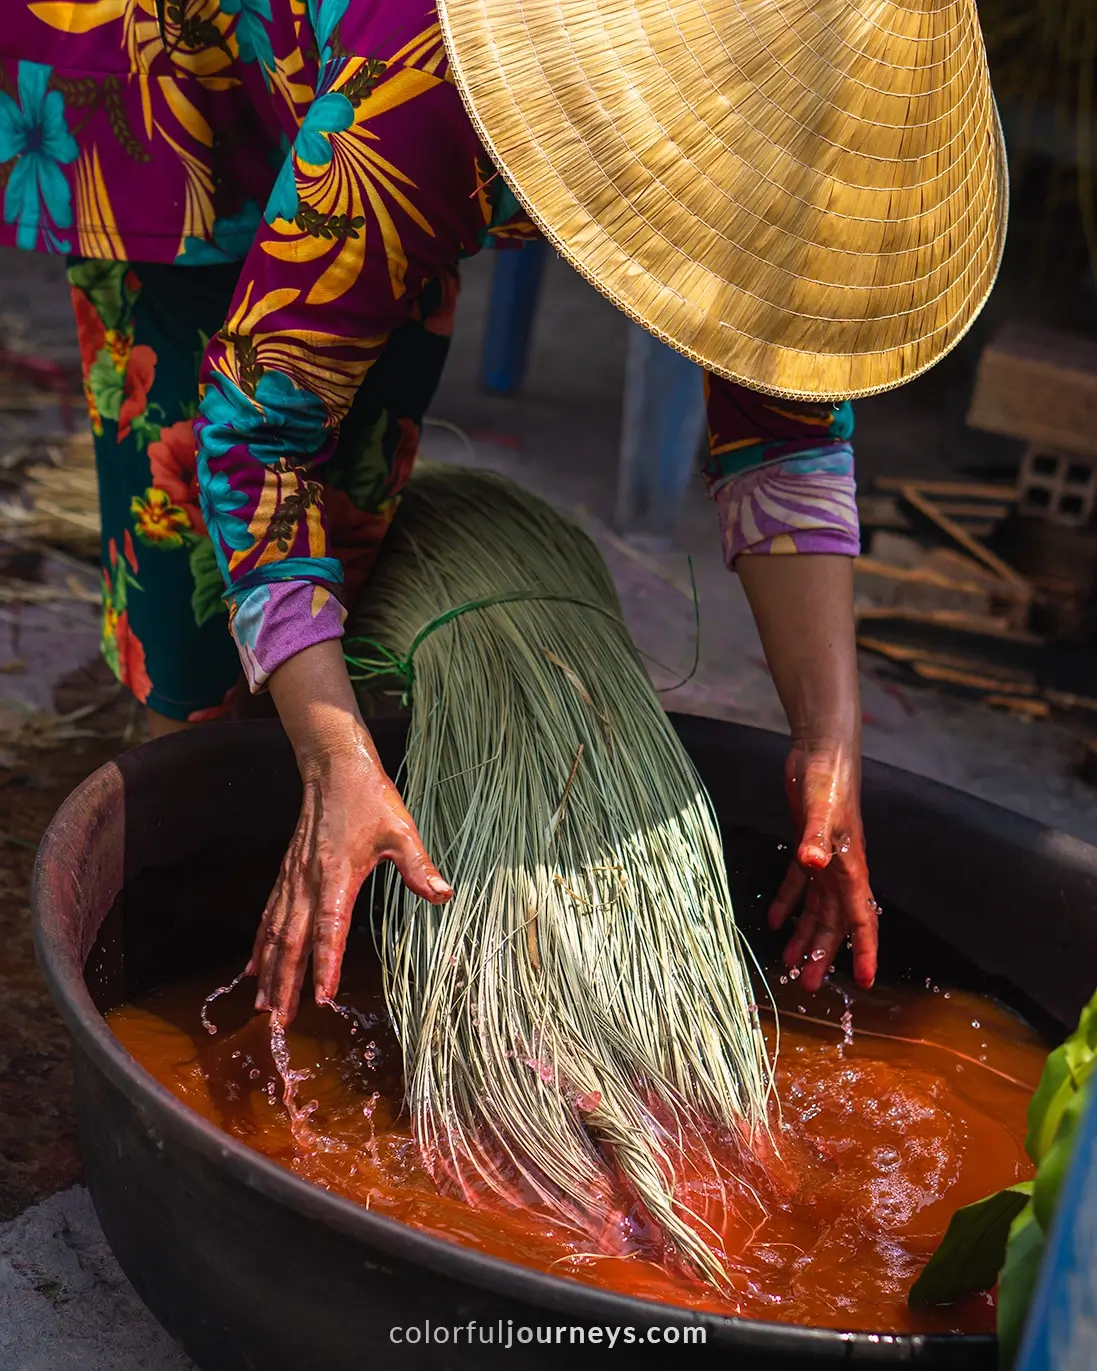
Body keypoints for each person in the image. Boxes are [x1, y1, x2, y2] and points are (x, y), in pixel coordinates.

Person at [2, 0, 1005, 1021]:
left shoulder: (798, 131)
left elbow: (784, 427)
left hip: (373, 121)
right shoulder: (430, 69)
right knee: (191, 567)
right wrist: (332, 752)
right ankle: (172, 919)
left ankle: (309, 821)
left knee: (347, 503)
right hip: (179, 75)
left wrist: (826, 743)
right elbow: (253, 437)